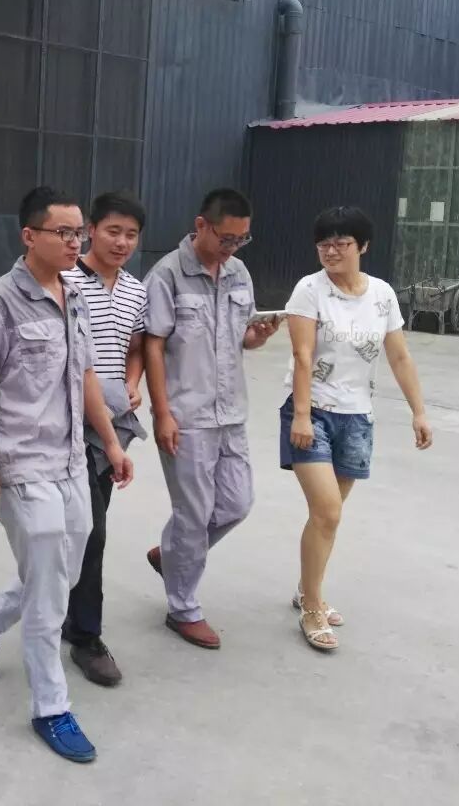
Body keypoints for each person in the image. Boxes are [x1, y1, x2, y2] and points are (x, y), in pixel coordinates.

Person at [0, 186, 134, 764]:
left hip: (73, 458)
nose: (75, 242)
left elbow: (85, 375)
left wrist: (111, 442)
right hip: (22, 464)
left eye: (78, 232)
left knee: (65, 569)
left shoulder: (73, 293)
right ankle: (50, 707)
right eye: (63, 232)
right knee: (51, 594)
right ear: (29, 236)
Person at [281, 206, 432, 651]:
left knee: (326, 517)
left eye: (341, 244)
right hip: (312, 411)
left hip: (357, 415)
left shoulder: (381, 294)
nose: (331, 251)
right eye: (324, 244)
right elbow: (303, 355)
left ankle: (306, 588)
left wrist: (419, 411)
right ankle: (312, 608)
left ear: (362, 246)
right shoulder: (309, 290)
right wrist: (302, 415)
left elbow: (399, 356)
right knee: (328, 511)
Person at [142, 188, 278, 649]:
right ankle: (182, 608)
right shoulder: (167, 275)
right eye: (226, 238)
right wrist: (162, 413)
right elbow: (153, 346)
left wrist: (258, 337)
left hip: (231, 411)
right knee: (194, 513)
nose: (232, 247)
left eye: (242, 239)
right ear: (201, 225)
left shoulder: (238, 272)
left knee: (237, 503)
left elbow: (241, 338)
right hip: (188, 415)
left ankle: (174, 553)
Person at [58, 191, 150, 687]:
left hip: (111, 426)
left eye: (131, 235)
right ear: (91, 229)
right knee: (86, 530)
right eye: (113, 231)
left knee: (84, 529)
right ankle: (85, 636)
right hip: (64, 422)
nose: (122, 242)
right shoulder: (65, 279)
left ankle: (67, 616)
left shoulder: (136, 290)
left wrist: (133, 383)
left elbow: (135, 346)